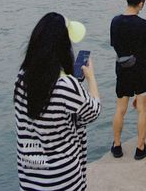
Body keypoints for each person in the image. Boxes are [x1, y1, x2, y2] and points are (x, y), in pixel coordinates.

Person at [14, 13, 101, 191]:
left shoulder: (22, 78)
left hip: (29, 176)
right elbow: (93, 111)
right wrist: (91, 78)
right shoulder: (66, 86)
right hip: (63, 178)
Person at [110, 0, 146, 160]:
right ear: (141, 4)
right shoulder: (144, 25)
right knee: (142, 109)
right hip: (141, 69)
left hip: (122, 68)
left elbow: (114, 44)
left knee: (120, 109)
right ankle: (140, 147)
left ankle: (116, 145)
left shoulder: (115, 22)